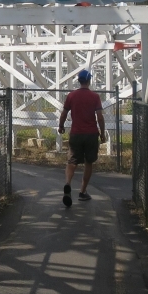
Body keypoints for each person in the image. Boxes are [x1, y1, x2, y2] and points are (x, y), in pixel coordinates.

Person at [58, 69, 105, 207]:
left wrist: (61, 126)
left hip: (76, 133)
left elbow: (64, 114)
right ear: (89, 80)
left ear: (79, 81)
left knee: (72, 161)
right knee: (89, 162)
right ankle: (83, 192)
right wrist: (102, 133)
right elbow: (100, 117)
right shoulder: (95, 97)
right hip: (91, 134)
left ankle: (67, 183)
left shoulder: (71, 96)